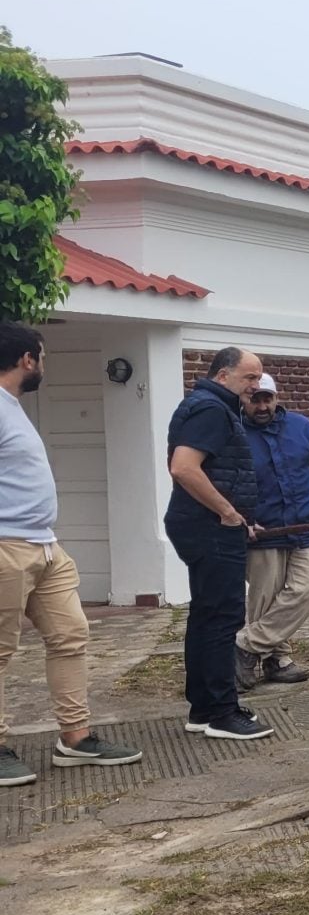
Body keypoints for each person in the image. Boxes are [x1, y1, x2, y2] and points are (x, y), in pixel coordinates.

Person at [0, 323, 144, 785]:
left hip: (44, 546)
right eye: (42, 357)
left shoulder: (12, 406)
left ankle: (75, 739)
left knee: (70, 636)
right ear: (27, 359)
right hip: (6, 545)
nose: (44, 366)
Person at [165, 347, 275, 740]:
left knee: (207, 616)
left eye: (258, 377)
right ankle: (221, 713)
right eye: (249, 377)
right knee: (222, 618)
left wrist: (238, 516)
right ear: (223, 375)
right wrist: (228, 512)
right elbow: (183, 468)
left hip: (205, 525)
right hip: (209, 527)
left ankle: (204, 709)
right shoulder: (211, 409)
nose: (256, 385)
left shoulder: (209, 406)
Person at [234, 374, 309, 691]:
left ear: (277, 398)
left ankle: (245, 645)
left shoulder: (302, 427)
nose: (262, 406)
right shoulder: (234, 433)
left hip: (307, 524)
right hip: (263, 528)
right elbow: (227, 482)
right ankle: (277, 660)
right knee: (265, 597)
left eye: (267, 399)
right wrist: (242, 518)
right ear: (244, 399)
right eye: (255, 399)